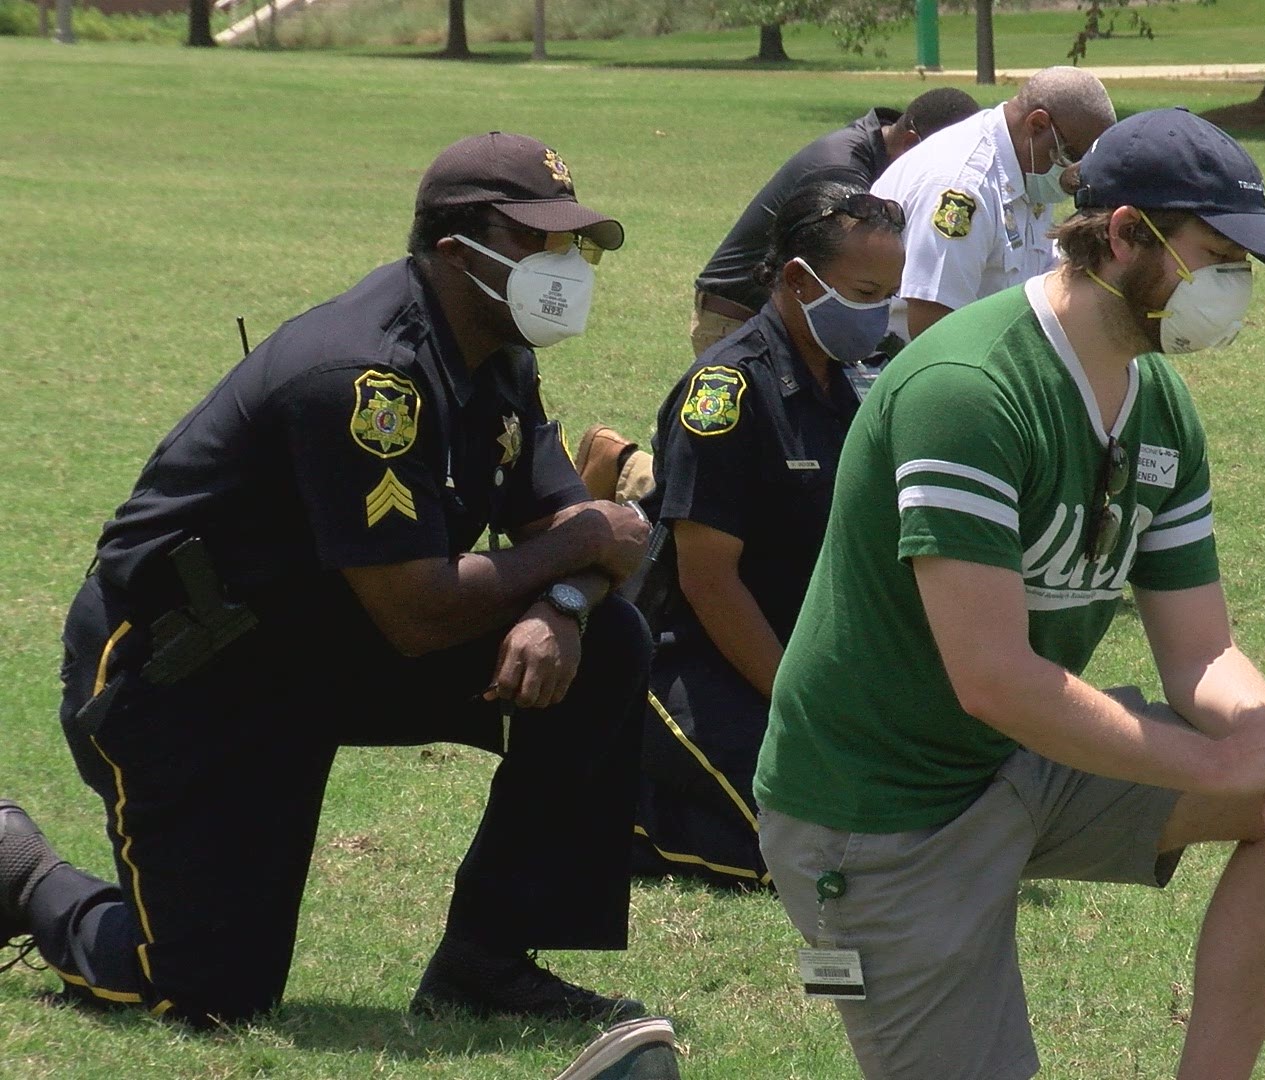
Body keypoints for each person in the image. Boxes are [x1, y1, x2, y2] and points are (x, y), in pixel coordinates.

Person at [0, 133, 661, 1028]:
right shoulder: (365, 377)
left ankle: (485, 962)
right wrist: (586, 538)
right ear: (454, 251)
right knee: (204, 996)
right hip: (189, 674)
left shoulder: (500, 352)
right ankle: (21, 870)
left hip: (322, 643)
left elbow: (568, 535)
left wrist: (570, 603)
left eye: (572, 245)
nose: (566, 265)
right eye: (539, 242)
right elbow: (425, 612)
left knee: (611, 644)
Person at [754, 108, 1265, 1080]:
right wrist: (1217, 769)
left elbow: (1201, 653)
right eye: (1218, 256)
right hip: (878, 813)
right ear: (1124, 236)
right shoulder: (968, 389)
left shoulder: (1158, 405)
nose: (1233, 288)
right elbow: (993, 678)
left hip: (1022, 762)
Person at [619, 181, 905, 888]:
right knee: (800, 855)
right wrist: (799, 705)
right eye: (865, 291)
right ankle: (622, 806)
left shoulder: (874, 368)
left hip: (816, 655)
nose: (879, 314)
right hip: (701, 657)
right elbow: (707, 581)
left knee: (909, 822)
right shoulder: (727, 391)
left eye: (891, 293)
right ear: (799, 281)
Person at [687, 87, 976, 358]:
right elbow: (855, 261)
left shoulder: (877, 150)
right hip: (737, 319)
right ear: (912, 142)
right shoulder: (843, 168)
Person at [871, 65, 1115, 342]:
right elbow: (932, 326)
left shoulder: (1029, 164)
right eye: (1071, 156)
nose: (1074, 177)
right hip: (912, 361)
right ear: (1037, 125)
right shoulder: (963, 187)